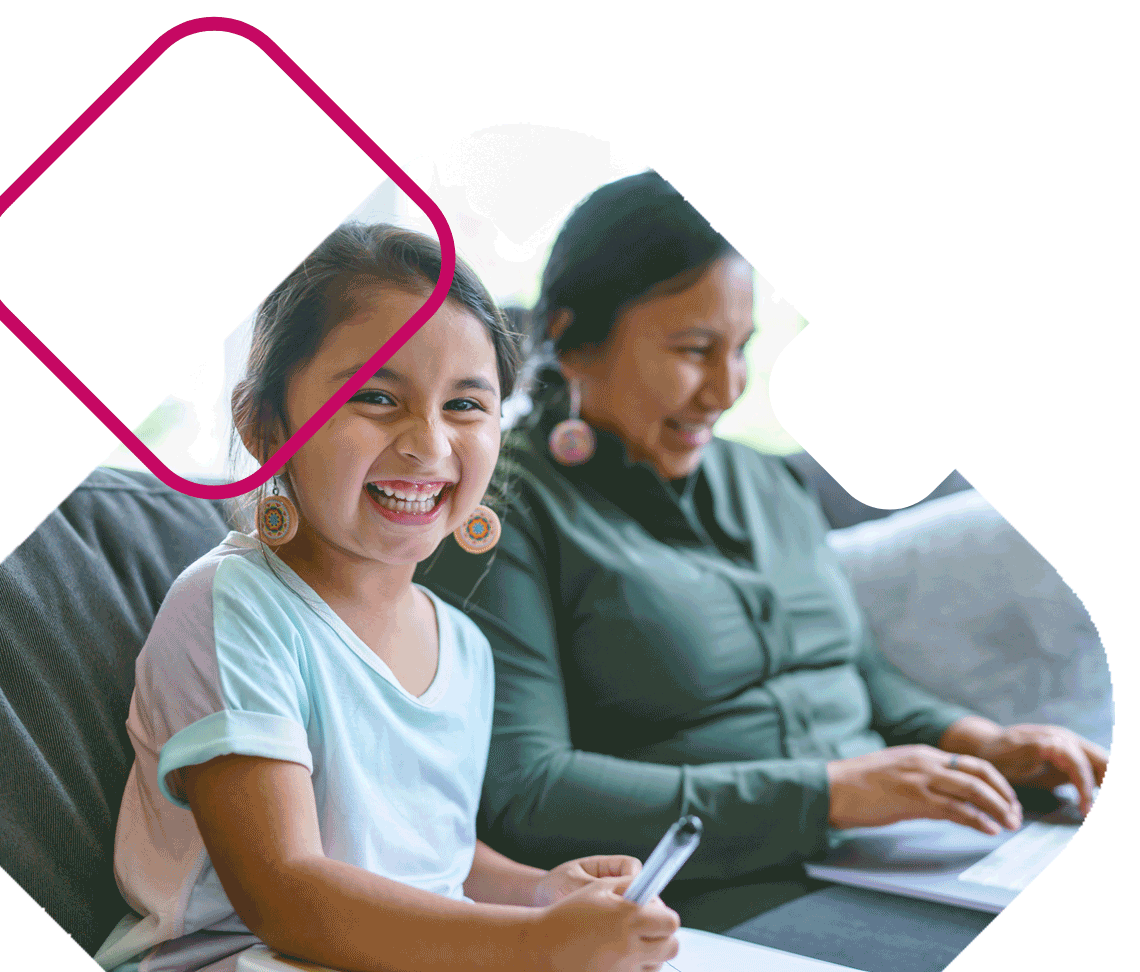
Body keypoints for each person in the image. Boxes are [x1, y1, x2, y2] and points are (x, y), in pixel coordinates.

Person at [421, 171, 1110, 931]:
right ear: (570, 338)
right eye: (692, 349)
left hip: (902, 855)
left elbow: (857, 676)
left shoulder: (765, 482)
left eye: (740, 349)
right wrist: (830, 792)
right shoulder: (503, 514)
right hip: (721, 895)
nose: (724, 388)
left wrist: (981, 744)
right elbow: (528, 793)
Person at [95, 223, 681, 972]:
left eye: (466, 406)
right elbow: (286, 890)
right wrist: (536, 947)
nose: (428, 445)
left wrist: (543, 896)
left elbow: (433, 860)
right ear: (262, 423)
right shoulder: (232, 603)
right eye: (376, 396)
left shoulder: (461, 644)